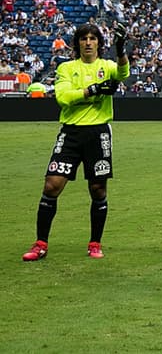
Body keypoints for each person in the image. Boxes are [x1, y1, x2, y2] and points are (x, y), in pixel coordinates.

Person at [22, 22, 131, 261]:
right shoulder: (66, 68)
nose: (89, 42)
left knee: (98, 188)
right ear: (77, 44)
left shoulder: (108, 65)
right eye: (84, 39)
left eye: (93, 38)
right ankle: (40, 244)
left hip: (98, 133)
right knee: (52, 185)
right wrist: (93, 90)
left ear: (100, 44)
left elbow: (124, 74)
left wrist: (121, 48)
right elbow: (63, 97)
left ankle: (95, 243)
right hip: (71, 133)